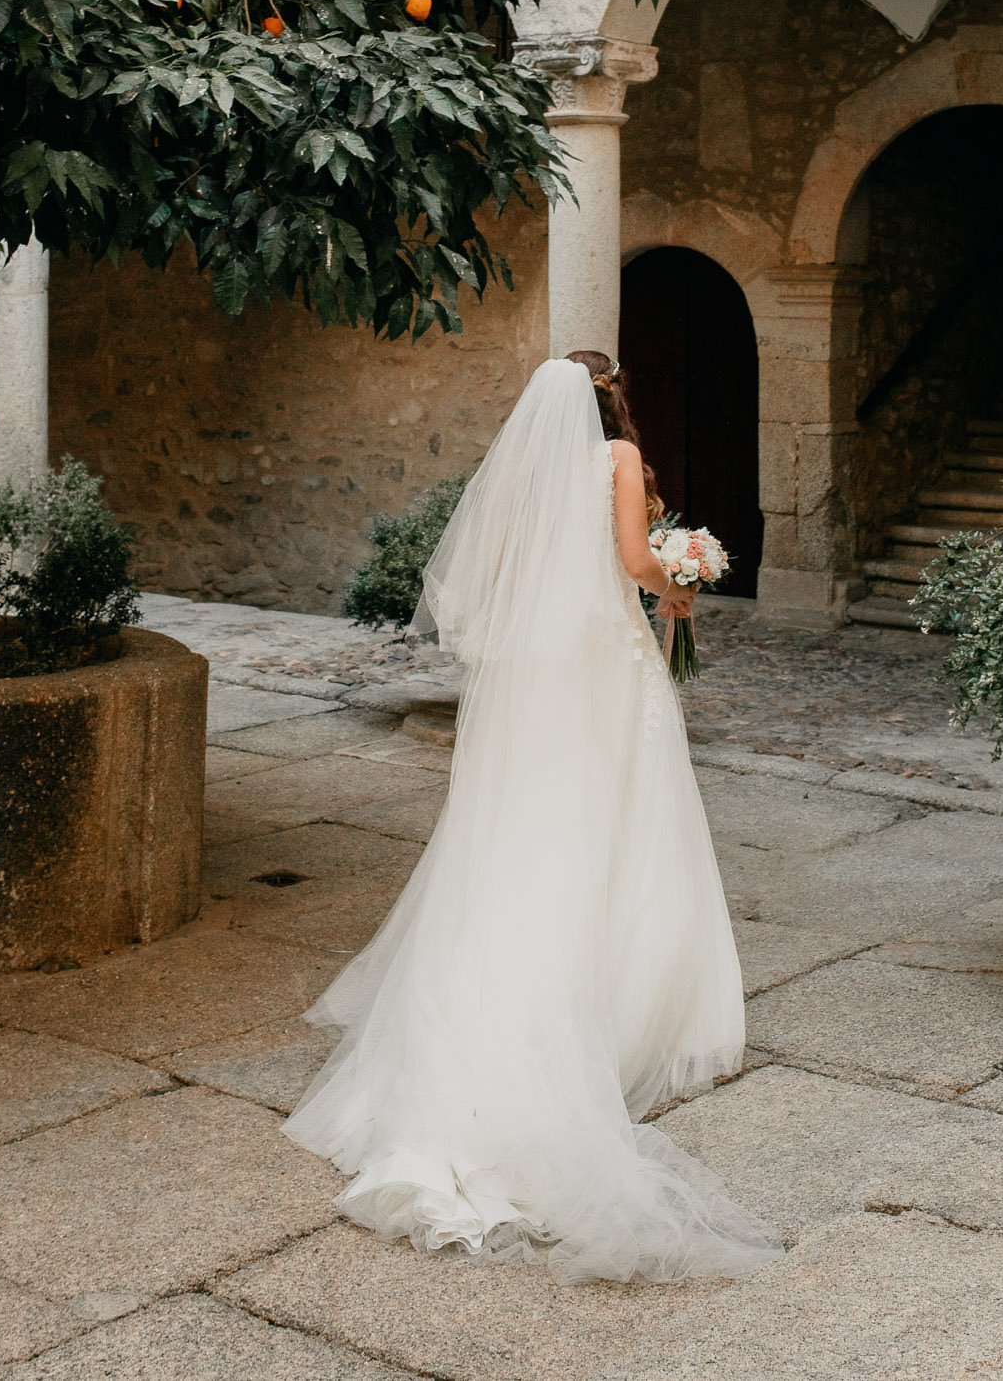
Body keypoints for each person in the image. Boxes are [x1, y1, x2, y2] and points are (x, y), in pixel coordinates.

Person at [283, 353, 779, 1284]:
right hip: (606, 661)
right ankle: (632, 1015)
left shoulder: (522, 473)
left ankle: (501, 1015)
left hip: (538, 673)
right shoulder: (618, 463)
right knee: (623, 820)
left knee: (528, 832)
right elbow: (635, 559)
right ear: (612, 397)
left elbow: (501, 572)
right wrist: (678, 579)